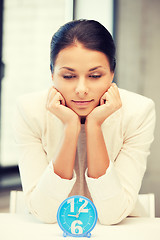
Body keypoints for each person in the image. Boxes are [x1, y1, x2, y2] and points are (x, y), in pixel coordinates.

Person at [14, 19, 156, 225]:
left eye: (95, 75)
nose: (81, 89)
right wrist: (71, 128)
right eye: (69, 76)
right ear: (52, 73)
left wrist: (94, 126)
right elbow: (44, 213)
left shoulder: (138, 111)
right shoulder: (29, 110)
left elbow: (112, 214)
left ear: (112, 73)